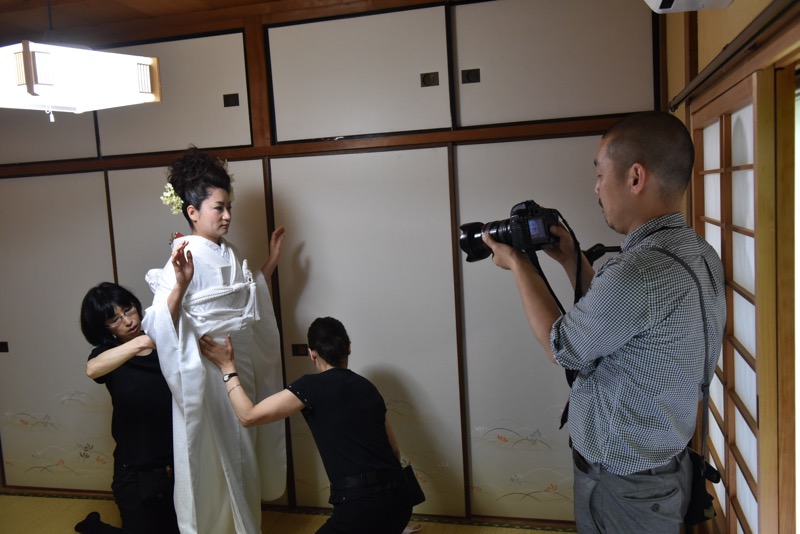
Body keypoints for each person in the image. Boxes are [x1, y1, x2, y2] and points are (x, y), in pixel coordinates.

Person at [482, 111, 726, 533]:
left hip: (624, 485)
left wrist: (519, 264)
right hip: (658, 467)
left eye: (599, 173)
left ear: (635, 177)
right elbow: (627, 321)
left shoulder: (637, 271)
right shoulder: (696, 251)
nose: (596, 188)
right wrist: (573, 260)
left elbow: (562, 346)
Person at [142, 147, 286, 534]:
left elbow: (246, 295)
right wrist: (181, 286)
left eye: (228, 207)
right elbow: (157, 324)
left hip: (240, 367)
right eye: (218, 208)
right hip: (205, 373)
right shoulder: (182, 256)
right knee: (214, 458)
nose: (227, 216)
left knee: (245, 456)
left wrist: (269, 265)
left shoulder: (230, 251)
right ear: (192, 211)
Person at [199, 317, 414, 534]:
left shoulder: (310, 387)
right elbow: (394, 451)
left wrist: (228, 368)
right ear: (348, 348)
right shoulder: (368, 387)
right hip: (401, 501)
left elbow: (248, 416)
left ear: (312, 354)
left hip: (358, 507)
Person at [78, 282, 181, 534]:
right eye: (114, 319)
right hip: (134, 470)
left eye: (129, 310)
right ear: (102, 327)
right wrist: (142, 342)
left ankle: (93, 526)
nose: (127, 321)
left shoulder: (165, 345)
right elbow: (92, 369)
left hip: (176, 464)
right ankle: (94, 528)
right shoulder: (109, 355)